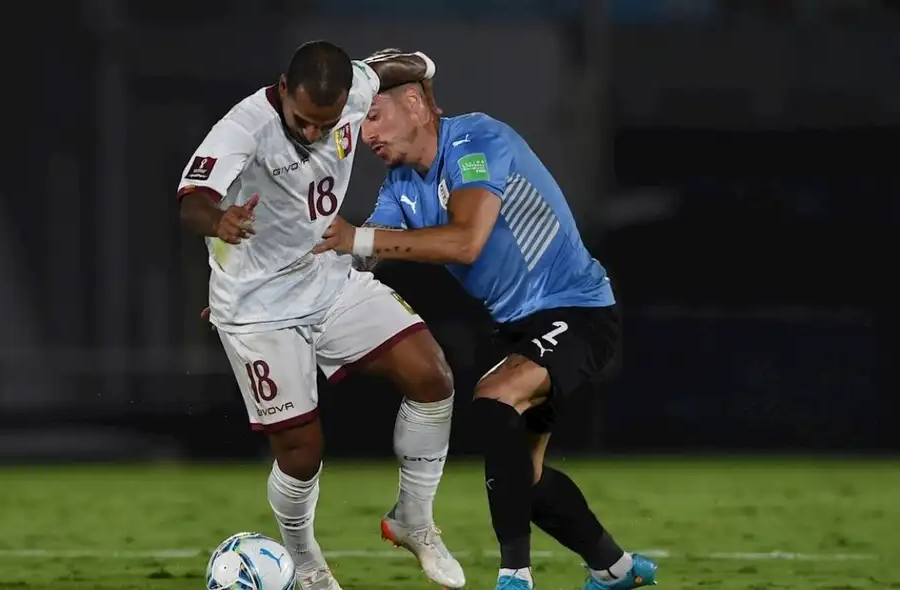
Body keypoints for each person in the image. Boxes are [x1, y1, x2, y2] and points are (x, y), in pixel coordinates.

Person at [314, 64, 660, 590]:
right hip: (519, 327)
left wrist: (358, 240)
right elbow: (358, 255)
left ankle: (514, 577)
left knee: (495, 399)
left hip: (579, 309)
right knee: (527, 478)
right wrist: (272, 293)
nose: (367, 135)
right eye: (362, 123)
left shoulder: (477, 139)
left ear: (415, 104)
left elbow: (464, 241)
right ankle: (613, 569)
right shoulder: (401, 184)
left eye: (375, 116)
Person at [177, 41, 465, 590]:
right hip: (259, 310)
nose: (313, 134)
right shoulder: (242, 128)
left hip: (327, 277)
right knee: (302, 453)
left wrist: (425, 75)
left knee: (431, 375)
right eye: (304, 121)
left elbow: (407, 64)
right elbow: (192, 199)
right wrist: (219, 221)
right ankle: (306, 565)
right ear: (283, 89)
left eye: (325, 124)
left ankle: (414, 520)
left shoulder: (356, 86)